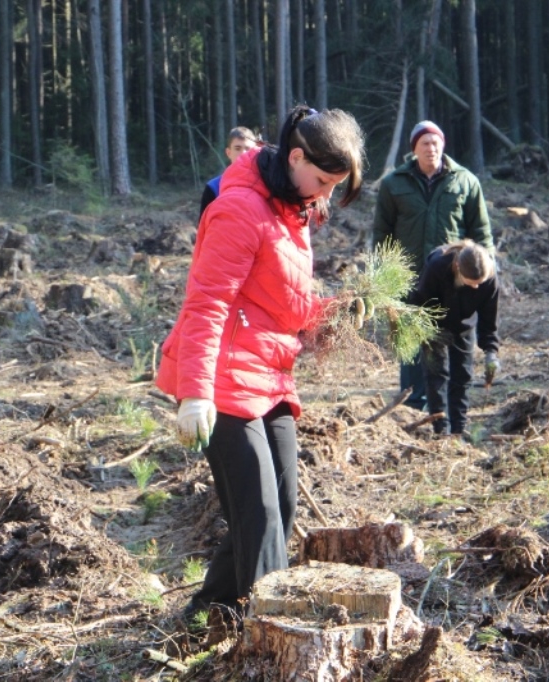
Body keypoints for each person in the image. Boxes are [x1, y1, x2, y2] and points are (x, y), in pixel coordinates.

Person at [156, 105, 366, 620]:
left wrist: (330, 317)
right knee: (260, 514)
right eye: (322, 181)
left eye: (335, 187)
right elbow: (206, 304)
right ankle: (273, 631)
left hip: (268, 374)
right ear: (295, 157)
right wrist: (194, 393)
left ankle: (209, 614)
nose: (326, 196)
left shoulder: (293, 209)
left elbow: (279, 300)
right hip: (222, 378)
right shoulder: (240, 210)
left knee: (281, 508)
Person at [372, 120, 495, 410]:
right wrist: (382, 276)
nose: (432, 148)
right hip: (410, 277)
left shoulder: (465, 181)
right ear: (414, 148)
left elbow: (482, 232)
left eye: (436, 142)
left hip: (454, 279)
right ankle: (412, 406)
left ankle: (450, 409)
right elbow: (382, 233)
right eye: (425, 143)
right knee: (412, 343)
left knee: (454, 341)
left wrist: (487, 270)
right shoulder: (393, 184)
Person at [408, 240, 499, 436]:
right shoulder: (437, 266)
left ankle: (458, 430)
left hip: (465, 326)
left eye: (479, 283)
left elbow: (488, 318)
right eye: (471, 283)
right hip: (434, 324)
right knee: (436, 376)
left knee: (463, 376)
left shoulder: (489, 277)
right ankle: (440, 430)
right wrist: (425, 332)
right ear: (457, 268)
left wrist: (491, 352)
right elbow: (420, 302)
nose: (476, 288)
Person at [199, 126, 260, 220]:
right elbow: (203, 227)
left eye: (248, 149)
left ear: (255, 152)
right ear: (228, 153)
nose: (243, 153)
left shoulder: (265, 186)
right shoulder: (214, 187)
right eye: (237, 148)